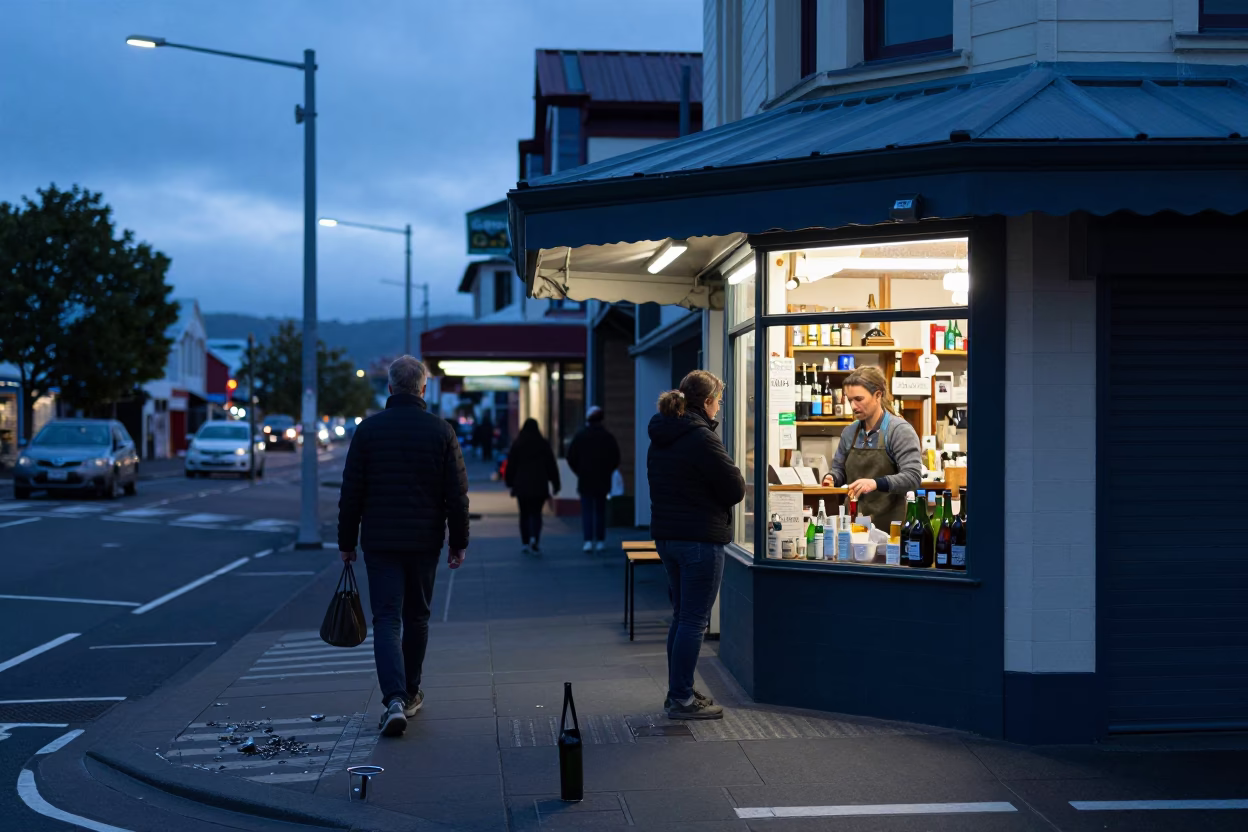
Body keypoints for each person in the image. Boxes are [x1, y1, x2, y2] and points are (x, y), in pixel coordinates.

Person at [337, 356, 469, 738]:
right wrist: (458, 541)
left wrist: (347, 543)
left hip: (379, 541)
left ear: (390, 388)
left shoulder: (368, 431)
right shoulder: (441, 431)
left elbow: (351, 494)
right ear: (423, 389)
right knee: (417, 617)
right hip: (425, 540)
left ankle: (394, 698)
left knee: (387, 619)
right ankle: (410, 692)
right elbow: (456, 496)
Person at [647, 370, 745, 720]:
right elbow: (734, 488)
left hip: (668, 537)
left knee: (681, 618)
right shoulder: (701, 437)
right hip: (700, 539)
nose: (719, 408)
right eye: (717, 401)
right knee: (693, 621)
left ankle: (680, 691)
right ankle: (682, 700)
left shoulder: (661, 434)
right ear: (706, 402)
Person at [820, 365, 922, 529]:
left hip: (889, 530)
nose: (853, 407)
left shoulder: (899, 431)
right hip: (854, 525)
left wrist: (875, 483)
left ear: (878, 395)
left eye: (859, 399)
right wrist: (832, 478)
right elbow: (839, 469)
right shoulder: (850, 432)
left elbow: (913, 477)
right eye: (849, 400)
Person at [566, 405, 621, 553]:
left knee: (587, 510)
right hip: (603, 479)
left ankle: (588, 540)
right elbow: (615, 458)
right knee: (600, 510)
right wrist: (607, 470)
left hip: (585, 479)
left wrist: (580, 471)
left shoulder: (580, 436)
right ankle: (601, 541)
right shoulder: (608, 437)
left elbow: (571, 457)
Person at [504, 418, 560, 555]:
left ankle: (525, 542)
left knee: (524, 514)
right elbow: (551, 465)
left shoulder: (518, 443)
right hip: (539, 484)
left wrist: (509, 482)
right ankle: (535, 538)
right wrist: (556, 483)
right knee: (536, 513)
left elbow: (511, 465)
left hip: (522, 485)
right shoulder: (543, 444)